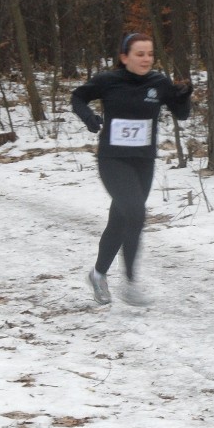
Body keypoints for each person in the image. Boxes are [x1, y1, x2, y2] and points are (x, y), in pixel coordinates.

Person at [72, 33, 193, 306]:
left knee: (120, 219)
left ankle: (98, 274)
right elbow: (78, 97)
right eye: (139, 54)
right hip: (113, 160)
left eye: (150, 54)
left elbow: (182, 114)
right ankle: (130, 282)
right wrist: (89, 118)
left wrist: (185, 96)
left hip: (143, 161)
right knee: (136, 213)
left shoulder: (159, 83)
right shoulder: (108, 81)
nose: (146, 59)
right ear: (124, 57)